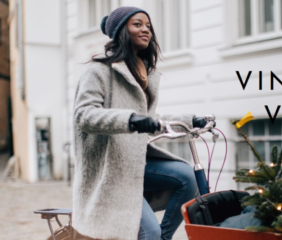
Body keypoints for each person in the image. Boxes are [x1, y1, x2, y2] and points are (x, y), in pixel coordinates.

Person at [72, 6, 214, 240]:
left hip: (135, 162)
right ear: (121, 31)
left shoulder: (143, 72)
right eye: (137, 24)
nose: (146, 30)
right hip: (112, 172)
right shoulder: (98, 71)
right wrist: (130, 120)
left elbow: (150, 119)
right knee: (149, 231)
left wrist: (191, 121)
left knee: (186, 176)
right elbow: (84, 115)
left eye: (148, 26)